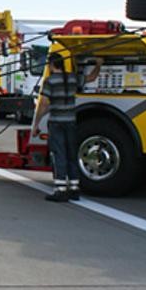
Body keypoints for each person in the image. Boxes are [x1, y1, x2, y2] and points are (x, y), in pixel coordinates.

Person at [33, 53, 103, 202]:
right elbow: (91, 78)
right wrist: (98, 64)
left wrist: (36, 123)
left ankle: (60, 189)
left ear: (52, 65)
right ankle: (74, 188)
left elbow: (44, 103)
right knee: (72, 154)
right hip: (71, 121)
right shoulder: (72, 78)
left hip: (56, 122)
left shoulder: (49, 81)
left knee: (59, 154)